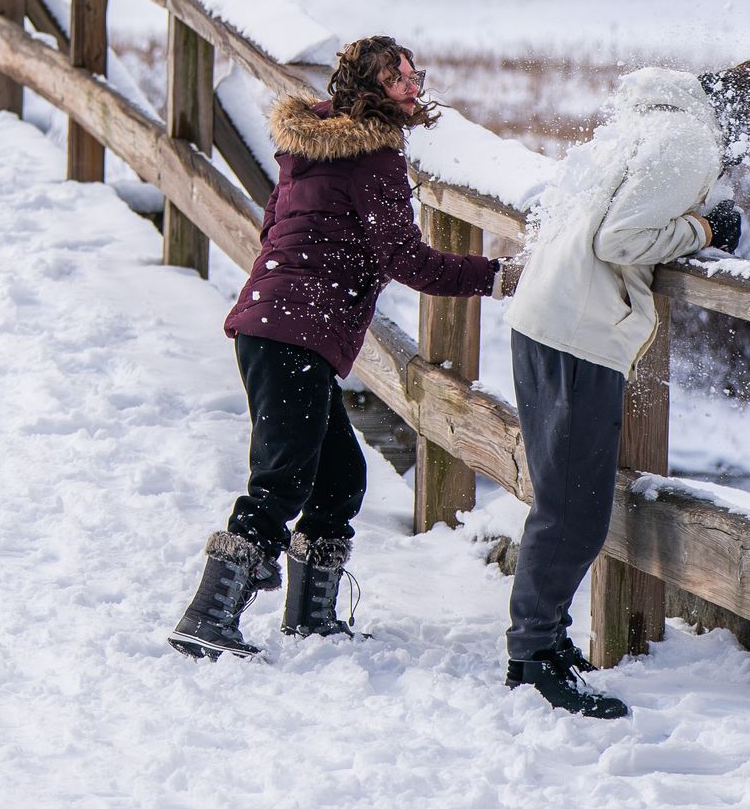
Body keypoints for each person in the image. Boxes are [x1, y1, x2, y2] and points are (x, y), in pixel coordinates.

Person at [169, 36, 505, 660]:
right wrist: (496, 276)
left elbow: (275, 227)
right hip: (294, 330)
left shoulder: (306, 147)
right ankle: (208, 615)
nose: (414, 88)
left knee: (341, 476)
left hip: (273, 324)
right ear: (370, 92)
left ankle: (309, 616)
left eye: (414, 74)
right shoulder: (374, 160)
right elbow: (409, 260)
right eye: (399, 80)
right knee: (282, 478)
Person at [501, 57, 750, 718]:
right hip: (577, 328)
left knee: (569, 498)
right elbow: (622, 239)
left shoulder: (655, 121)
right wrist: (704, 230)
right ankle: (531, 657)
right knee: (574, 508)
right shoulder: (688, 141)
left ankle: (545, 643)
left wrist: (710, 207)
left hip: (547, 314)